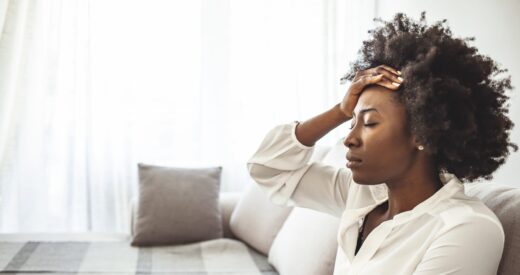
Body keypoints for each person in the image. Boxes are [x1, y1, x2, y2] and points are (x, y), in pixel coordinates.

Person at [247, 12, 517, 275]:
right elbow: (269, 169)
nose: (349, 139)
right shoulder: (362, 196)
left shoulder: (465, 228)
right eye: (351, 122)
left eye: (370, 123)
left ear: (422, 134)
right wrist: (339, 111)